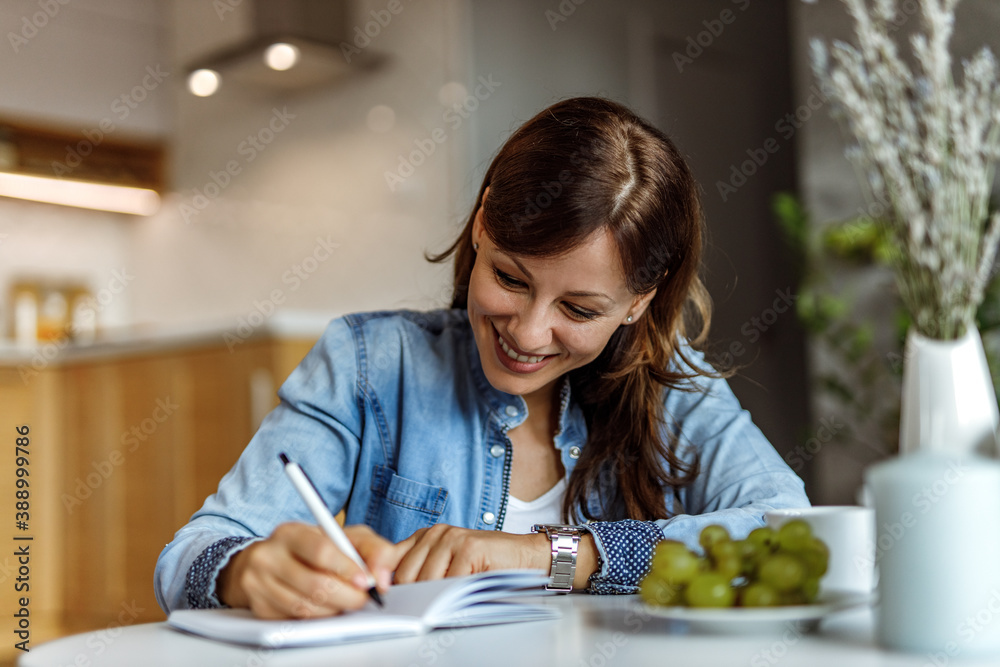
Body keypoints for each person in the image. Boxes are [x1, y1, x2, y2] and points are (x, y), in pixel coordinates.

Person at [154, 96, 809, 619]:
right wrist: (246, 570)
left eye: (578, 310)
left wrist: (548, 554)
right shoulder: (371, 363)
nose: (527, 332)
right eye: (510, 278)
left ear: (639, 301)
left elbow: (793, 533)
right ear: (482, 224)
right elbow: (189, 555)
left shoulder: (674, 388)